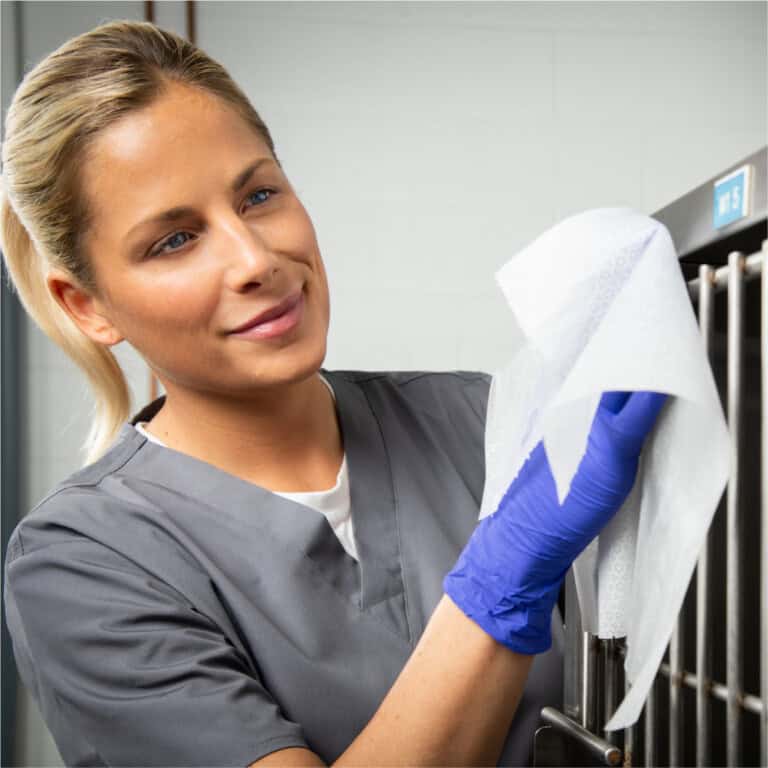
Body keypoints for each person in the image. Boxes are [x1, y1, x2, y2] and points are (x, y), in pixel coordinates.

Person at [0, 20, 666, 768]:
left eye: (257, 195)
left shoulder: (477, 420)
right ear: (88, 307)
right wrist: (502, 579)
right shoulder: (83, 566)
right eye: (175, 240)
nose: (256, 259)